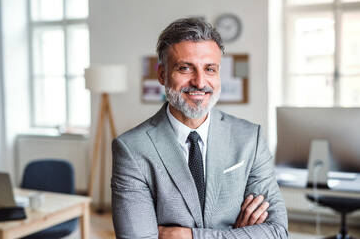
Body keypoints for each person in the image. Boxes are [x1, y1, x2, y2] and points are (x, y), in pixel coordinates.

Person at [111, 18, 288, 239]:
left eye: (210, 69)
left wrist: (188, 236)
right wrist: (235, 234)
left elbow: (277, 231)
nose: (200, 81)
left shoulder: (250, 138)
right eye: (185, 68)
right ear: (162, 74)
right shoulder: (131, 149)